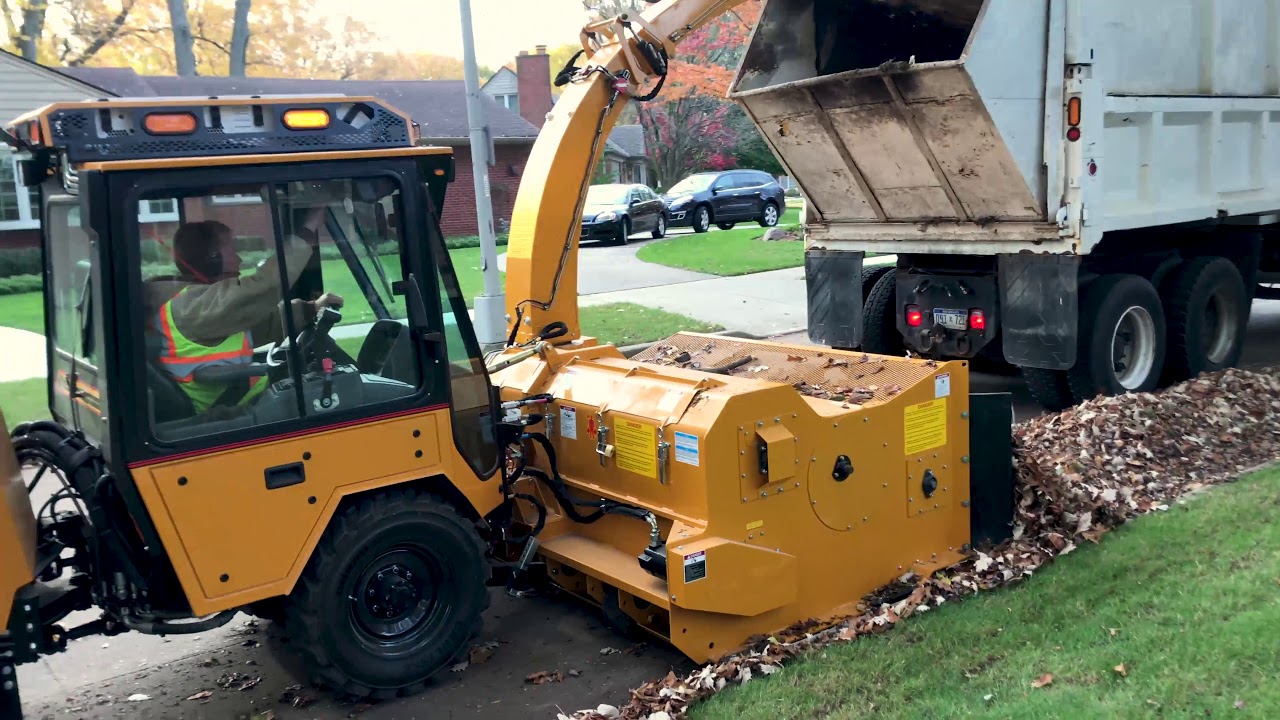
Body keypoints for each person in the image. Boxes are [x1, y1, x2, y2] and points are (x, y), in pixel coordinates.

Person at [146, 210, 343, 415]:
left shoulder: (203, 306)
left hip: (240, 405)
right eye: (232, 250)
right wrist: (308, 230)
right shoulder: (192, 306)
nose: (239, 259)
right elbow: (262, 288)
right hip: (229, 414)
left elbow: (264, 323)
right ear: (213, 257)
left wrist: (311, 308)